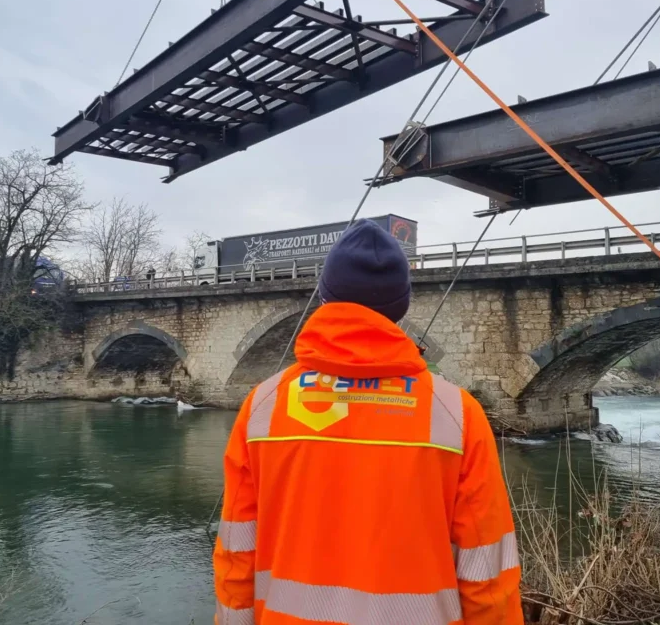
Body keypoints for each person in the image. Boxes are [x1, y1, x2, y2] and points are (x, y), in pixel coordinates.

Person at [213, 220, 522, 625]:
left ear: (325, 297)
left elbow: (237, 556)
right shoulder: (456, 413)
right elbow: (487, 574)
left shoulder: (263, 407)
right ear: (401, 307)